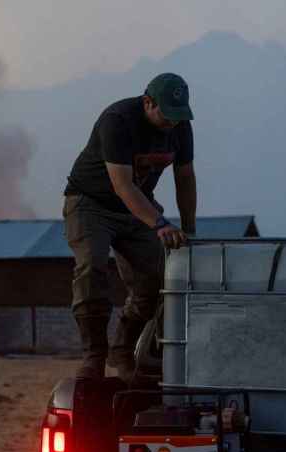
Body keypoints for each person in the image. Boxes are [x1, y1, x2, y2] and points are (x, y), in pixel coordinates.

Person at [63, 72, 197, 383]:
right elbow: (122, 186)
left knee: (156, 279)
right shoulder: (118, 120)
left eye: (179, 117)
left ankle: (122, 350)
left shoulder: (180, 127)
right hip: (91, 203)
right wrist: (160, 222)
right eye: (167, 116)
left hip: (138, 206)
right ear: (148, 103)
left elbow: (185, 177)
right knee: (91, 268)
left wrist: (189, 227)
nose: (173, 124)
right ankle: (93, 358)